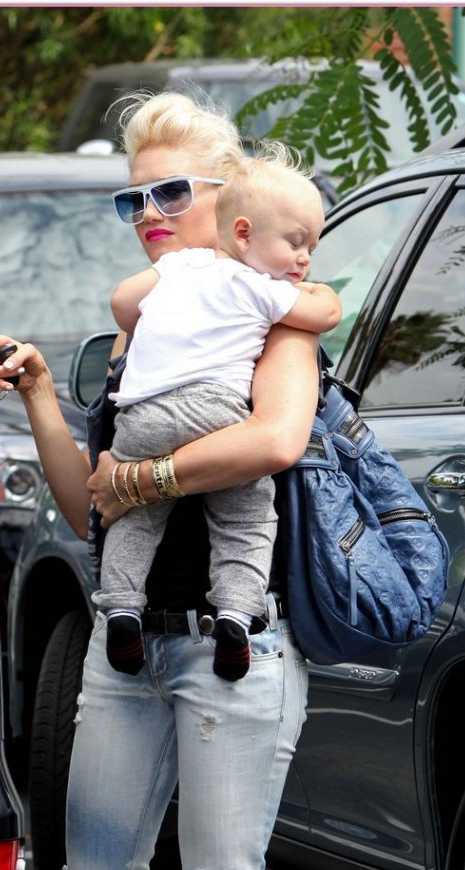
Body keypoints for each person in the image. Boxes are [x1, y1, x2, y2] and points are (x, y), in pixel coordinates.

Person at [0, 91, 325, 870]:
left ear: (232, 203)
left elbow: (275, 439)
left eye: (172, 191)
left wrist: (152, 475)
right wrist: (43, 392)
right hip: (128, 649)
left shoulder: (275, 323)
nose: (149, 214)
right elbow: (92, 502)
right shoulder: (143, 333)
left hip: (234, 651)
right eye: (133, 198)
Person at [98, 150, 340, 681]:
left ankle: (119, 608)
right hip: (213, 412)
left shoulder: (179, 270)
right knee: (245, 514)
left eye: (311, 249)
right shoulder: (261, 287)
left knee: (136, 519)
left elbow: (122, 302)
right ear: (245, 234)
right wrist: (318, 292)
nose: (303, 259)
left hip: (139, 415)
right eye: (296, 243)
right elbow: (325, 313)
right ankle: (234, 614)